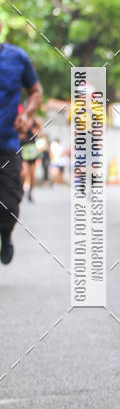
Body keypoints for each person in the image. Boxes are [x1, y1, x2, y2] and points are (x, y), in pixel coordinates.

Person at [0, 34, 43, 264]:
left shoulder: (17, 58)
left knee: (9, 203)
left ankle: (5, 234)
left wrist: (26, 114)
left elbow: (35, 91)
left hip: (7, 142)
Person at [19, 116, 44, 202]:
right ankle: (21, 192)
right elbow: (18, 134)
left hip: (33, 150)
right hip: (23, 149)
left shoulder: (35, 121)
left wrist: (37, 132)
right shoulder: (22, 120)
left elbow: (41, 135)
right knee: (24, 173)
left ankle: (30, 193)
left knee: (32, 175)